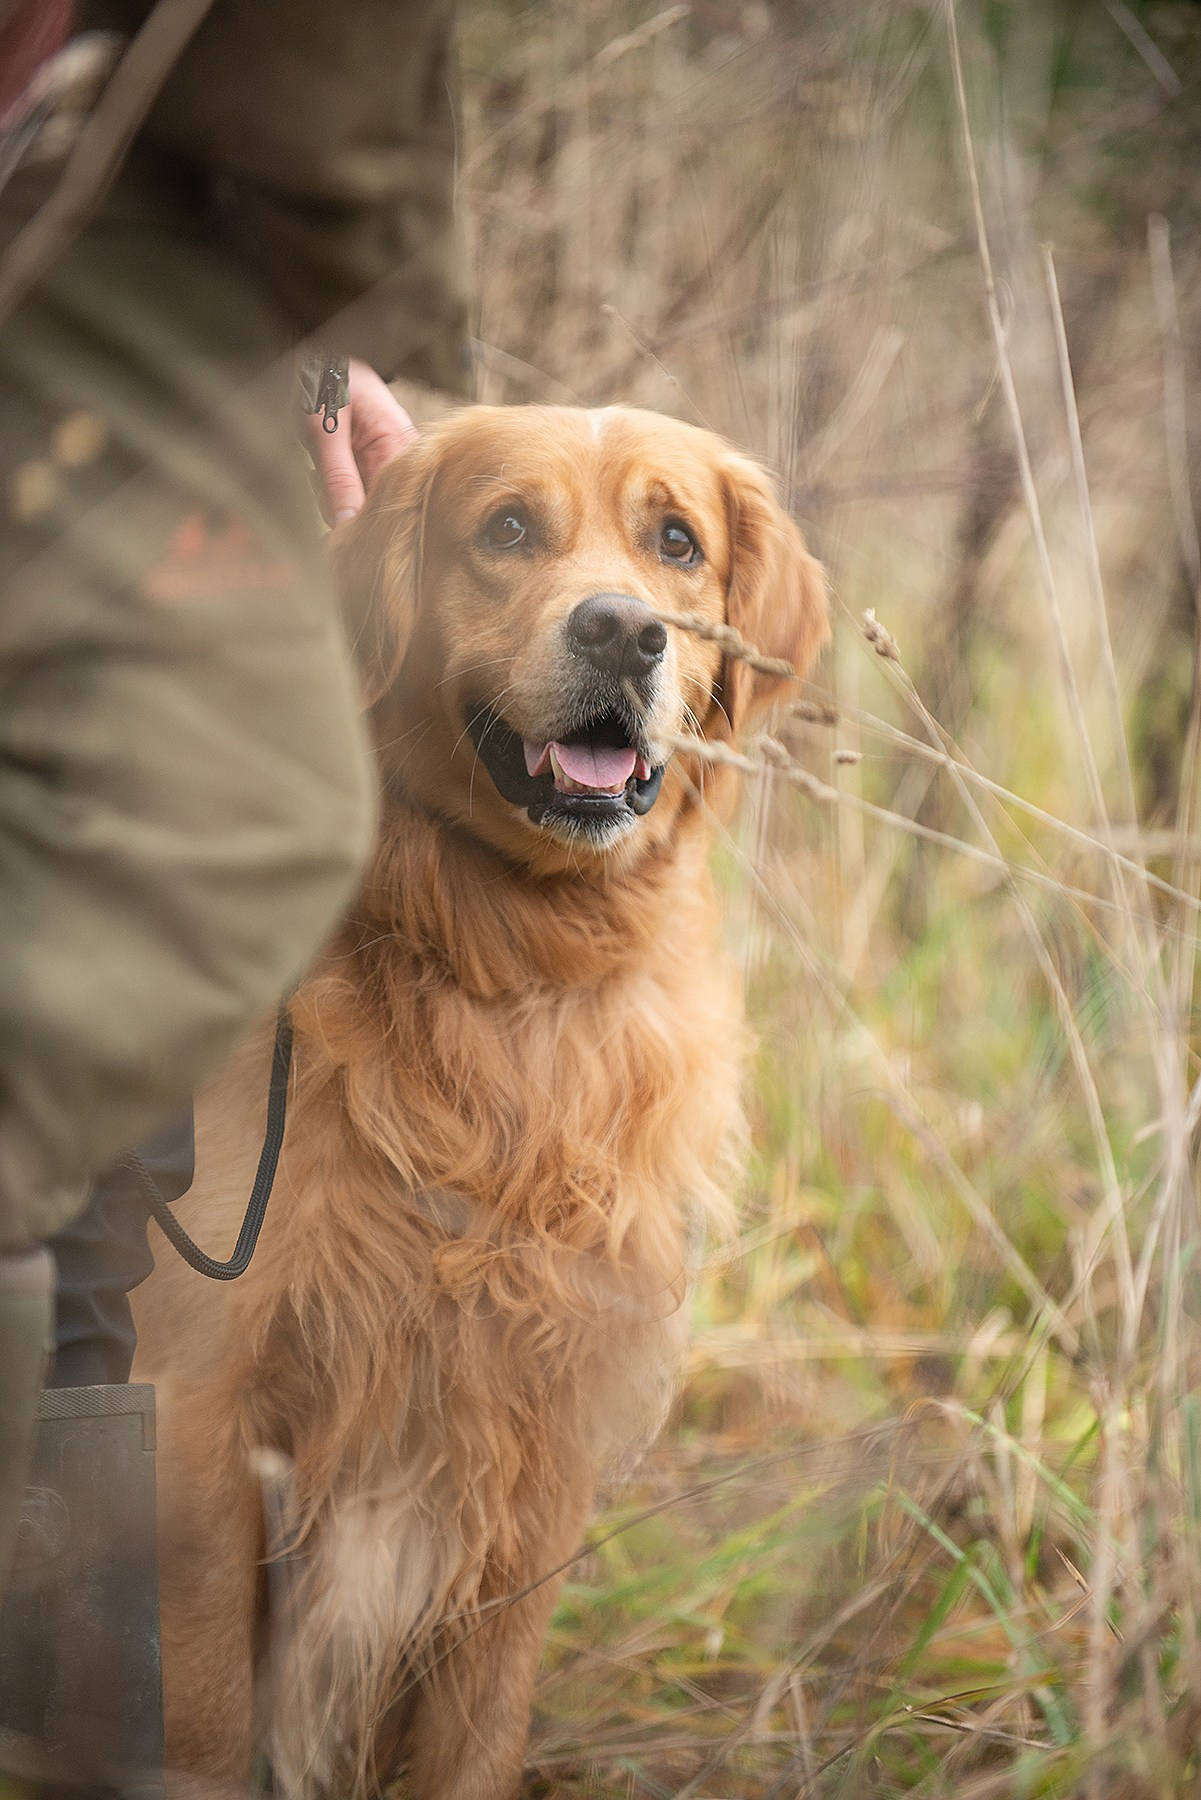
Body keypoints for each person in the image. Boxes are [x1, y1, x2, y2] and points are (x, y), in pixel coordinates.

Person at [0, 0, 470, 1597]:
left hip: (122, 271)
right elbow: (310, 111)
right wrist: (356, 316)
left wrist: (326, 342)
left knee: (104, 1193)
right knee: (226, 844)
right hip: (107, 285)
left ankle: (78, 1714)